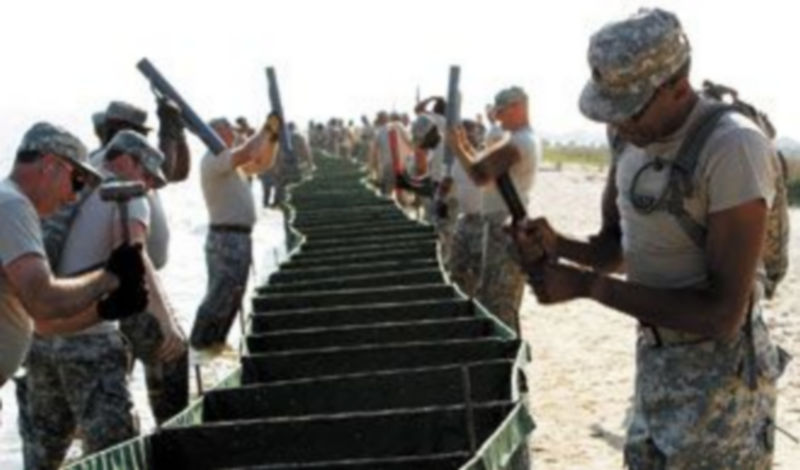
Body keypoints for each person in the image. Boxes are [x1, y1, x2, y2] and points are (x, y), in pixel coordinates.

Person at [511, 8, 788, 468]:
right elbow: (614, 249)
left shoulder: (733, 148)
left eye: (629, 110)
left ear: (678, 88)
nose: (618, 125)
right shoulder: (627, 140)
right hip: (656, 368)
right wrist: (556, 245)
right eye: (609, 110)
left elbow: (721, 313)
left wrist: (585, 287)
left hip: (722, 387)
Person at [22, 131, 179, 470]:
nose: (149, 186)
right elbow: (136, 263)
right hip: (90, 343)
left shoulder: (67, 187)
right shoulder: (124, 194)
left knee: (42, 452)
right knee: (114, 454)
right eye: (148, 175)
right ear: (125, 160)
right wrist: (168, 325)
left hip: (39, 341)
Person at [0, 122, 142, 389]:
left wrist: (105, 308)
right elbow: (42, 299)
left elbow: (41, 322)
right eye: (77, 181)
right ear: (51, 164)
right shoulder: (12, 206)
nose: (73, 198)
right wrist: (110, 277)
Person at [448, 86, 540, 331]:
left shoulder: (520, 141)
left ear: (518, 107)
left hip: (506, 228)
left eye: (502, 112)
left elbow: (479, 176)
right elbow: (484, 170)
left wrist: (457, 146)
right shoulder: (517, 138)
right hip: (501, 225)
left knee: (500, 303)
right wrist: (464, 145)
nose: (497, 118)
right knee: (492, 297)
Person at [191, 116, 280, 351]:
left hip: (236, 238)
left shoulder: (228, 161)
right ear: (216, 133)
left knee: (231, 299)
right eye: (228, 128)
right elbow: (249, 152)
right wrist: (266, 128)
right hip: (226, 238)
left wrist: (272, 138)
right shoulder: (214, 158)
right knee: (219, 298)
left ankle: (214, 346)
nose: (233, 132)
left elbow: (262, 163)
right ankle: (200, 345)